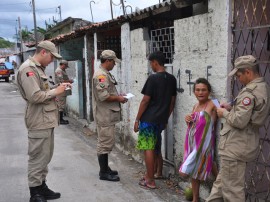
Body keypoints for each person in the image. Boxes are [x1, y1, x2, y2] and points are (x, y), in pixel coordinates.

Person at [206, 55, 270, 202]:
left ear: (248, 72)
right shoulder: (262, 87)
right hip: (239, 145)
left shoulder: (249, 93)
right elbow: (249, 113)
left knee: (232, 193)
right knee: (220, 186)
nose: (238, 79)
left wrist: (224, 113)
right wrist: (231, 106)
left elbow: (239, 121)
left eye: (239, 75)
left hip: (235, 147)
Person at [17, 40, 72, 202]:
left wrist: (59, 88)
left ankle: (42, 186)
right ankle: (35, 193)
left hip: (46, 118)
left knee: (45, 156)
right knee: (37, 156)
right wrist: (57, 91)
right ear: (43, 52)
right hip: (38, 118)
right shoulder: (28, 69)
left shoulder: (38, 68)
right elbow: (34, 96)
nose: (52, 60)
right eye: (51, 57)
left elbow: (44, 91)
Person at [134, 51, 177, 189]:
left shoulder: (153, 78)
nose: (151, 66)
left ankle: (150, 180)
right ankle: (150, 176)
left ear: (155, 62)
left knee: (148, 148)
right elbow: (172, 103)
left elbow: (145, 100)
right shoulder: (172, 79)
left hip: (148, 119)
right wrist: (165, 118)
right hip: (160, 120)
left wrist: (137, 119)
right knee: (154, 147)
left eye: (150, 63)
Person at [179, 78, 217, 202]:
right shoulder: (195, 105)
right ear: (194, 92)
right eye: (198, 90)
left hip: (203, 145)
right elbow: (195, 125)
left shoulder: (213, 103)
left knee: (185, 172)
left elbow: (222, 111)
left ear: (209, 91)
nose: (200, 92)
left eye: (204, 90)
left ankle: (222, 191)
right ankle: (195, 199)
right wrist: (187, 119)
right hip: (192, 144)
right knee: (196, 171)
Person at [92, 50, 128, 182]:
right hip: (104, 114)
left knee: (107, 142)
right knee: (104, 143)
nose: (114, 65)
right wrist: (119, 98)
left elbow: (109, 91)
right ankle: (103, 172)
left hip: (107, 114)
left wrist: (119, 95)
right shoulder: (101, 76)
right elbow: (104, 96)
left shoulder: (105, 74)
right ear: (108, 61)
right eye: (113, 62)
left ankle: (106, 168)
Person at [54, 59, 74, 124]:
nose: (66, 67)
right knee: (61, 105)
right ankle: (60, 120)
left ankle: (60, 119)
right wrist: (69, 81)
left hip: (63, 89)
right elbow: (61, 81)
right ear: (62, 65)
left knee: (62, 104)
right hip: (61, 89)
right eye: (65, 66)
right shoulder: (59, 71)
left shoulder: (62, 70)